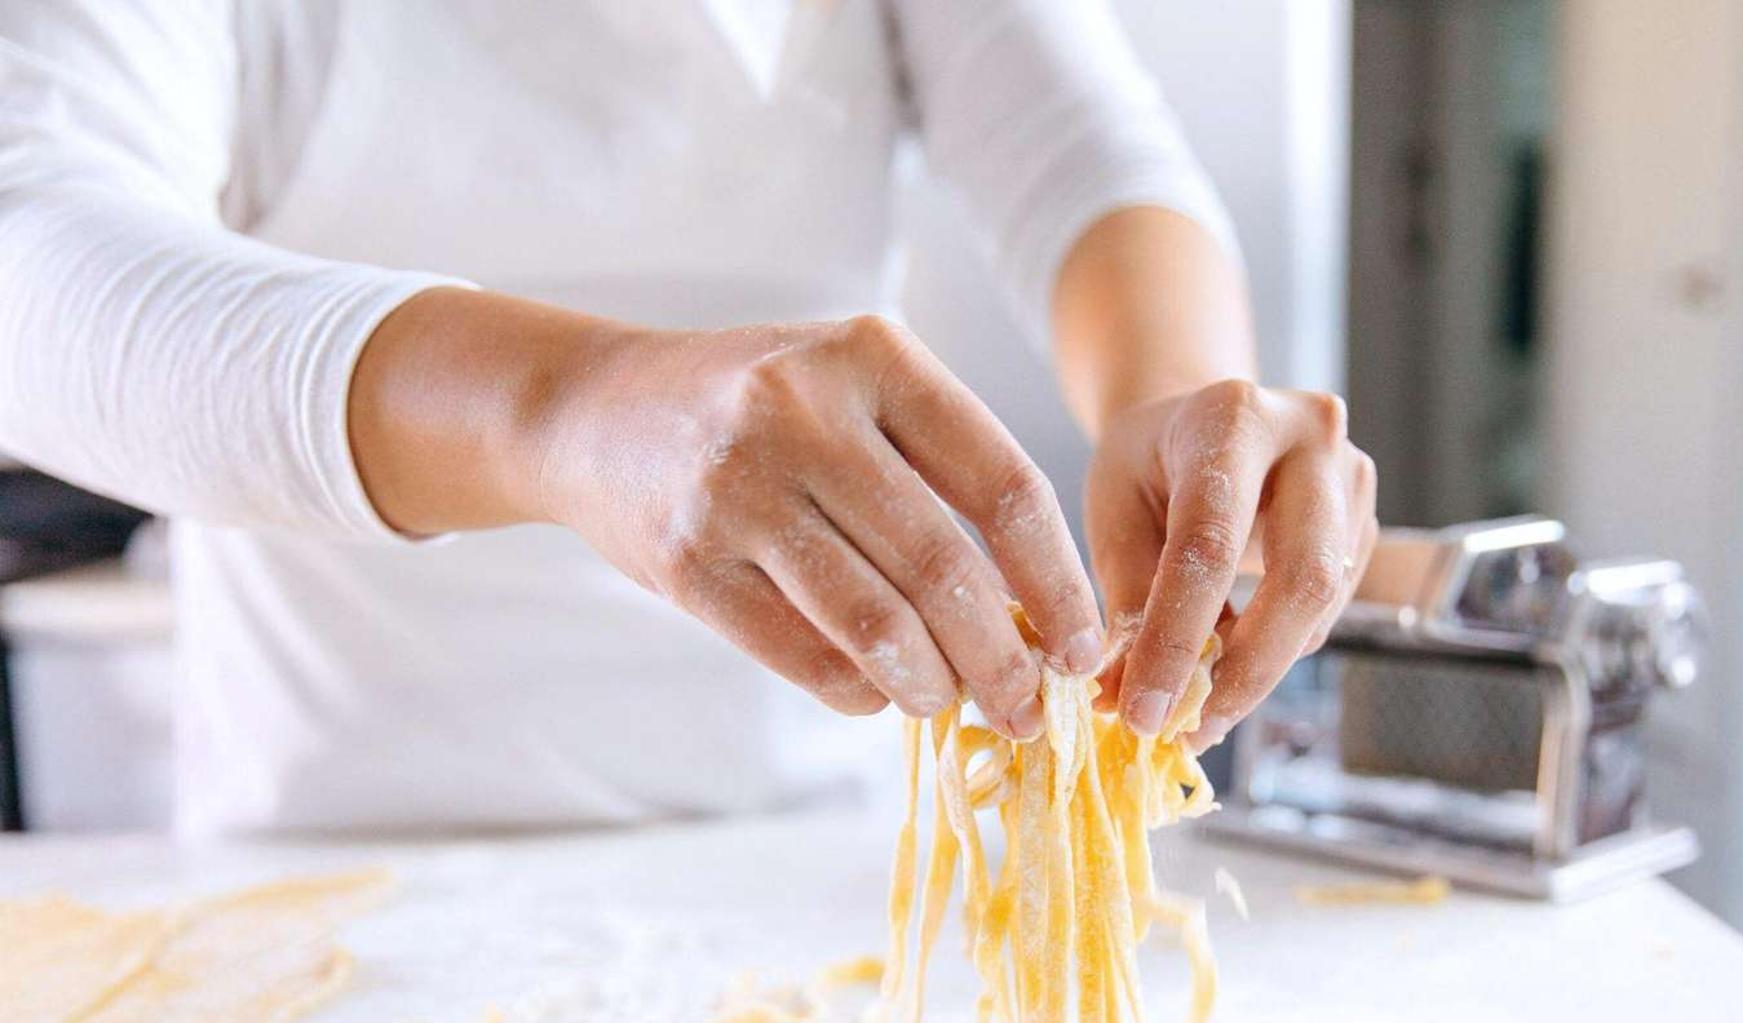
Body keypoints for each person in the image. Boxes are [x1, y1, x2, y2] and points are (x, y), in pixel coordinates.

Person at [0, 1, 1376, 837]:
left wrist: (1181, 397)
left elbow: (1089, 159)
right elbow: (32, 250)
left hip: (810, 845)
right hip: (355, 850)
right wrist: (568, 410)